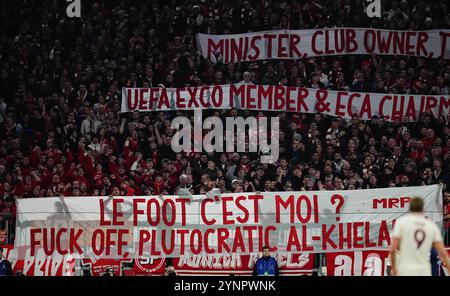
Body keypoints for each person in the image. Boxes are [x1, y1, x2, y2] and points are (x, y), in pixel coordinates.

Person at [390, 197, 450, 276]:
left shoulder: (401, 223)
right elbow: (442, 253)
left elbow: (393, 249)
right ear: (423, 209)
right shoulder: (430, 225)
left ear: (410, 208)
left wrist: (394, 268)